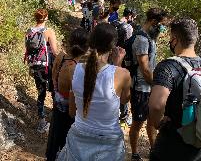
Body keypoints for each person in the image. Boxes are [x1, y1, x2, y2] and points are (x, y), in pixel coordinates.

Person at [149, 17, 201, 161]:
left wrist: (158, 123)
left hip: (170, 147)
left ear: (175, 39)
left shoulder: (167, 67)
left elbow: (156, 105)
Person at [57, 23, 131, 161]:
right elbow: (124, 100)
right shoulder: (122, 74)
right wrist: (118, 63)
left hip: (78, 139)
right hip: (109, 144)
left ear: (91, 41)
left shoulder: (76, 69)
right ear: (113, 46)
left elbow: (72, 112)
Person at [129, 8, 169, 161]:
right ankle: (134, 153)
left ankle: (154, 151)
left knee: (152, 122)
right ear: (153, 22)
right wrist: (157, 84)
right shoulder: (141, 40)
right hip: (141, 88)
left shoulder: (150, 38)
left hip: (150, 87)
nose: (163, 28)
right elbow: (145, 69)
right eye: (161, 25)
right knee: (138, 123)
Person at [46, 28, 89, 161]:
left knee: (54, 136)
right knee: (67, 141)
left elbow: (53, 77)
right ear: (86, 47)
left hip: (58, 102)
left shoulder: (61, 56)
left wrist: (58, 91)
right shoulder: (79, 69)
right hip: (71, 110)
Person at [24, 9, 58, 133]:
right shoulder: (48, 32)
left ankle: (41, 120)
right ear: (46, 18)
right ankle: (56, 117)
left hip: (35, 66)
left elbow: (28, 51)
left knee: (41, 92)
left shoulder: (29, 31)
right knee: (54, 90)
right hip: (47, 66)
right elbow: (54, 51)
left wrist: (30, 66)